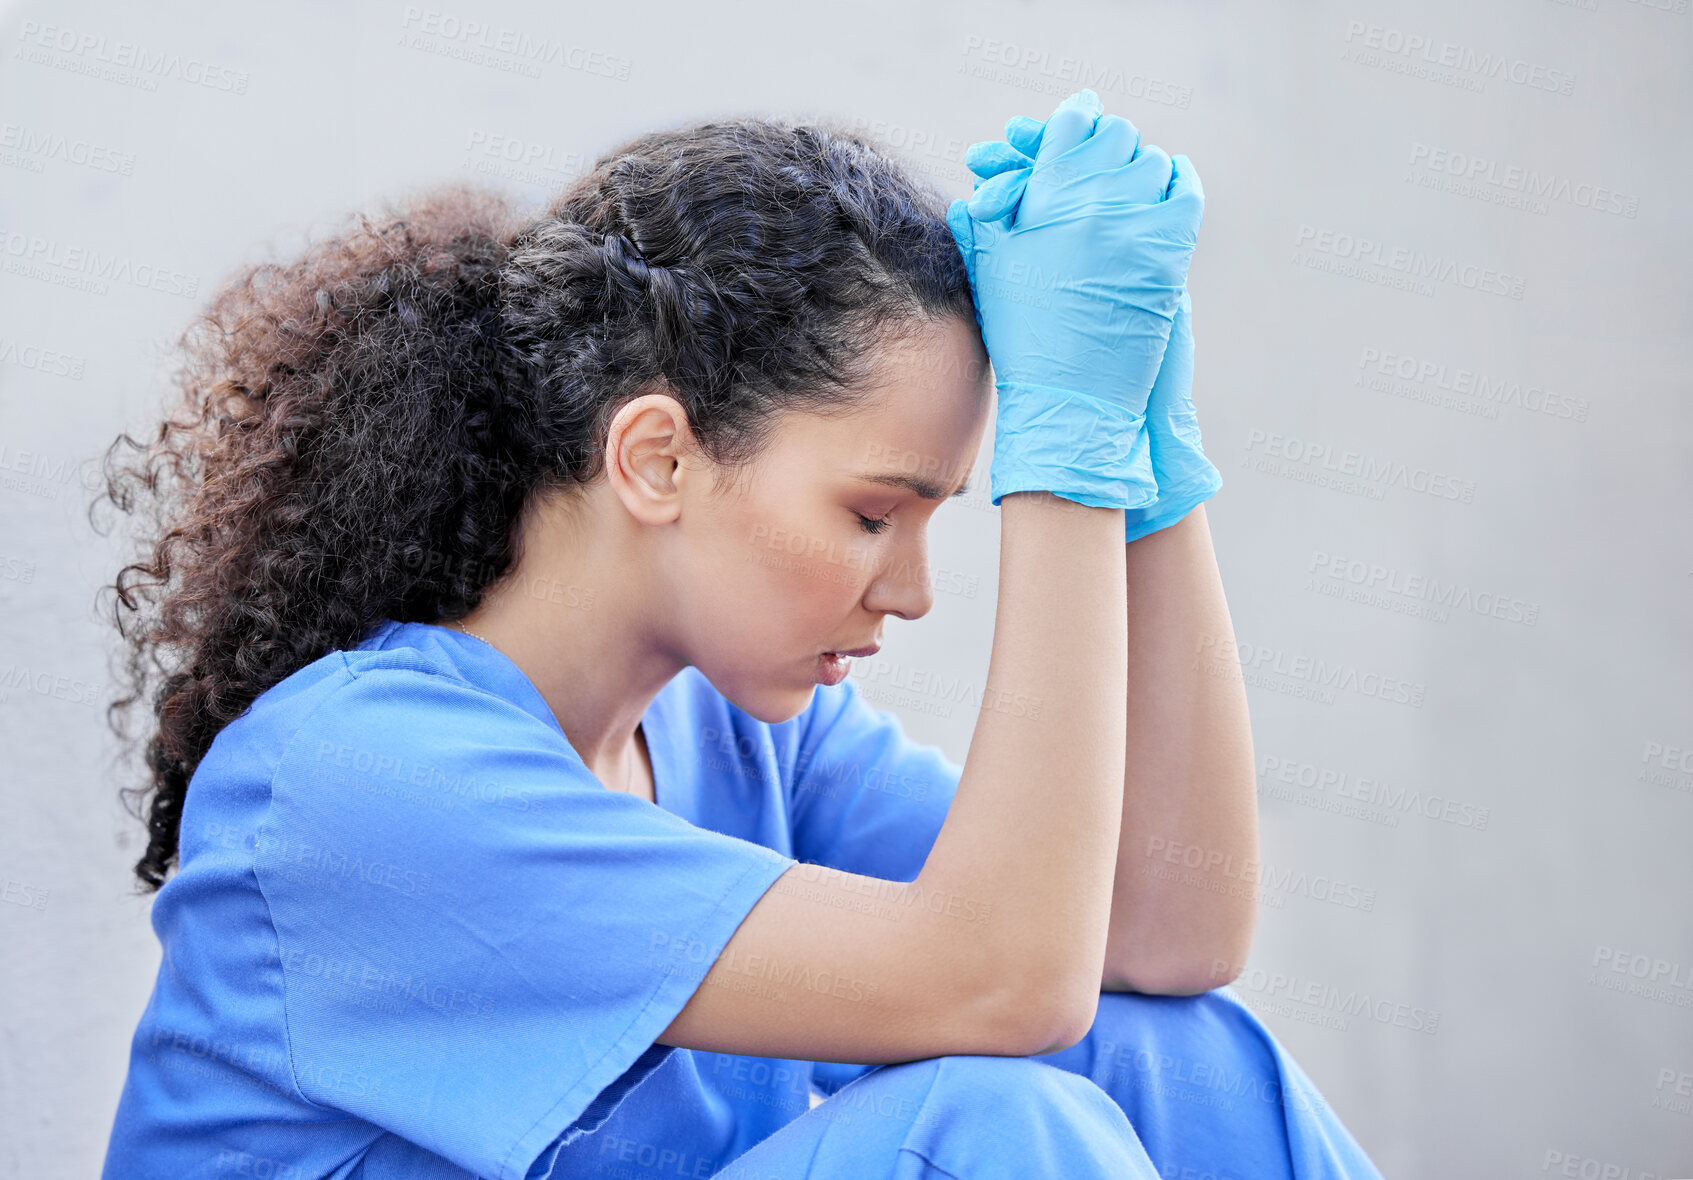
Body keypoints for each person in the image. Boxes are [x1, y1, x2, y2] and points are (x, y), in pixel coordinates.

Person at [94, 88, 1384, 1178]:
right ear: (657, 457)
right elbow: (1004, 978)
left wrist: (1148, 465)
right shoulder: (361, 780)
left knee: (1178, 1056)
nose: (914, 590)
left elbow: (1171, 931)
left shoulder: (734, 733)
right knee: (986, 1130)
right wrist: (1068, 465)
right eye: (875, 512)